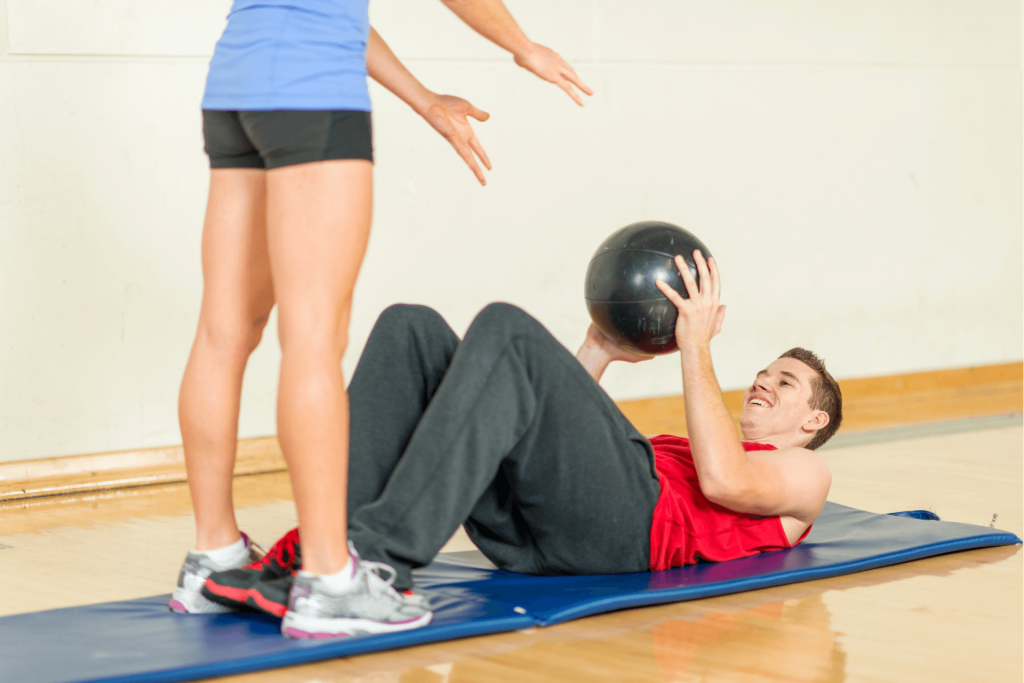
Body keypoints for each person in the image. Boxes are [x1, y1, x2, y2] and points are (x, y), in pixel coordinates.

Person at [170, 0, 593, 640]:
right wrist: (520, 44)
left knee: (224, 331)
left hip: (238, 78)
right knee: (313, 340)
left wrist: (424, 99)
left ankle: (213, 557)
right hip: (311, 91)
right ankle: (330, 580)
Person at [202, 251, 842, 627]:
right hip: (539, 533)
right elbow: (540, 423)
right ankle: (322, 555)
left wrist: (694, 345)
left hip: (630, 539)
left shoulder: (806, 476)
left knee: (507, 328)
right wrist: (595, 349)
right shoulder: (686, 444)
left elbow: (725, 481)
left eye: (784, 382)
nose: (762, 381)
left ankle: (375, 564)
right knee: (411, 329)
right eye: (762, 372)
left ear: (813, 422)